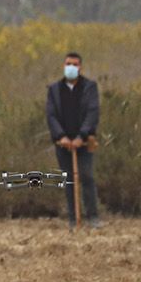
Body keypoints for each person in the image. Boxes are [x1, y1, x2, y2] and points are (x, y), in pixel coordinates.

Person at [46, 51, 101, 228]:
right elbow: (51, 115)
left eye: (75, 64)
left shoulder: (89, 87)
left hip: (84, 142)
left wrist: (81, 136)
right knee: (68, 179)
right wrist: (61, 136)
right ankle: (72, 219)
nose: (71, 67)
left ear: (80, 67)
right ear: (64, 66)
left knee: (87, 177)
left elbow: (93, 112)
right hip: (63, 143)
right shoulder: (54, 89)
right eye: (68, 64)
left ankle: (92, 217)